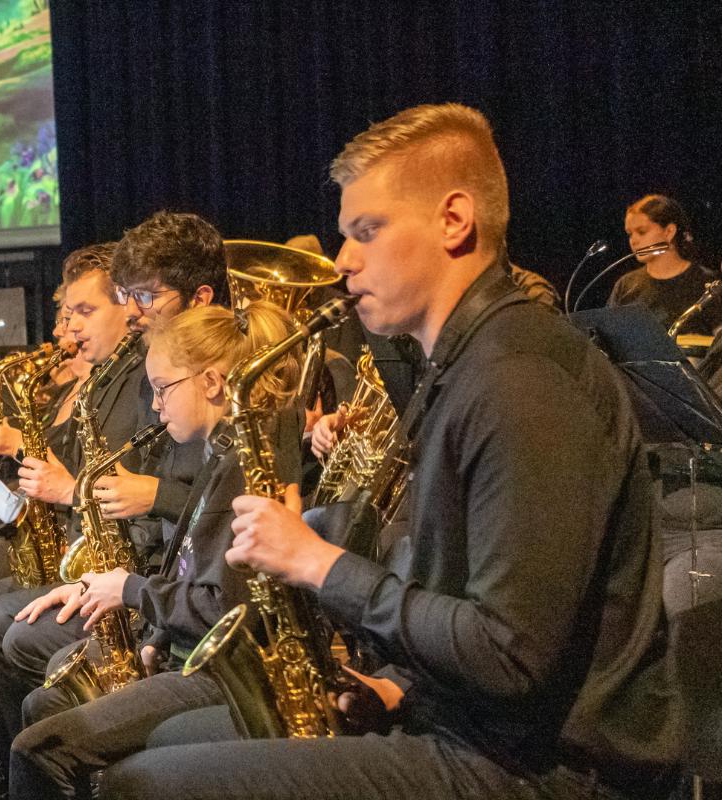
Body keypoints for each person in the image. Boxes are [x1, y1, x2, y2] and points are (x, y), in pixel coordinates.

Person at [101, 103, 679, 799]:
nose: (342, 260)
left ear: (453, 220)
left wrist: (317, 562)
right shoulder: (459, 366)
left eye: (366, 232)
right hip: (473, 729)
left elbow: (509, 653)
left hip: (540, 769)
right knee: (165, 745)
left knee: (141, 784)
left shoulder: (519, 378)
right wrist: (398, 690)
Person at [7, 302, 302, 799]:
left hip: (217, 675)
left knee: (37, 749)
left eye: (164, 388)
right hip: (186, 656)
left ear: (212, 382)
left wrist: (130, 590)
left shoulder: (244, 466)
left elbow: (223, 608)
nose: (157, 405)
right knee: (42, 707)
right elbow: (192, 573)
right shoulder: (219, 456)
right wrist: (157, 637)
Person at [609, 193, 718, 333]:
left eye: (641, 232)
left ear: (669, 232)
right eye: (630, 233)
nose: (633, 241)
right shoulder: (625, 285)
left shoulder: (707, 283)